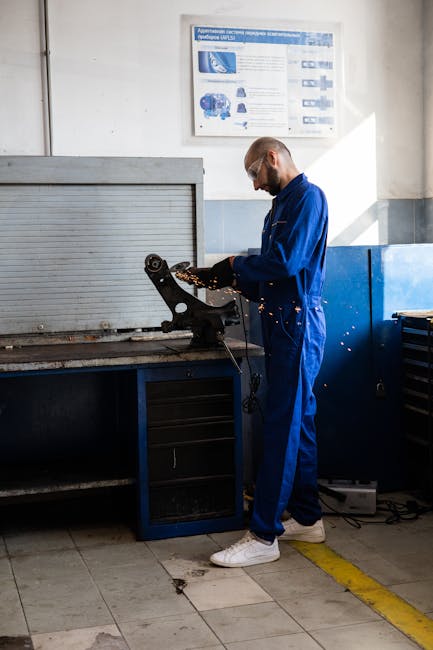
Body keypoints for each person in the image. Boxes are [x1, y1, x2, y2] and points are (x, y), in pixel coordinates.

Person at [178, 137, 328, 567]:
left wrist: (232, 265)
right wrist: (218, 278)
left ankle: (263, 536)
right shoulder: (279, 206)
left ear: (273, 158)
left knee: (282, 423)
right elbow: (269, 277)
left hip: (298, 325)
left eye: (254, 173)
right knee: (300, 420)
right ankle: (308, 516)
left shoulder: (307, 199)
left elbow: (286, 263)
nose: (254, 184)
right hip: (283, 322)